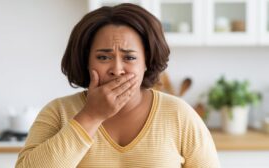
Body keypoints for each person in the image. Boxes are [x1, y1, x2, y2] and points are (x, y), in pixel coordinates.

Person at [15, 3, 220, 168]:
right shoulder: (57, 112)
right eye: (103, 57)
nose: (117, 69)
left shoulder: (180, 115)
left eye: (129, 57)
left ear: (146, 62)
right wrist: (91, 116)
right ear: (86, 60)